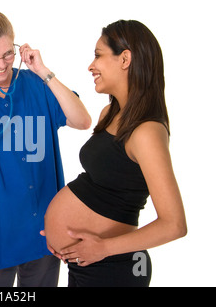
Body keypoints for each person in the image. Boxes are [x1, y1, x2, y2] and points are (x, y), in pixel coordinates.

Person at [0, 3, 91, 287]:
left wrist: (44, 71)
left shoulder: (37, 85)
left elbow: (82, 120)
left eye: (7, 54)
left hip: (43, 233)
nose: (1, 65)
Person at [43, 20, 187, 287]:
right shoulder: (110, 114)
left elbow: (174, 224)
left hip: (115, 269)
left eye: (98, 55)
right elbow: (101, 190)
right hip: (85, 265)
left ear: (125, 59)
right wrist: (62, 237)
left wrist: (102, 248)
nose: (91, 65)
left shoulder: (146, 132)